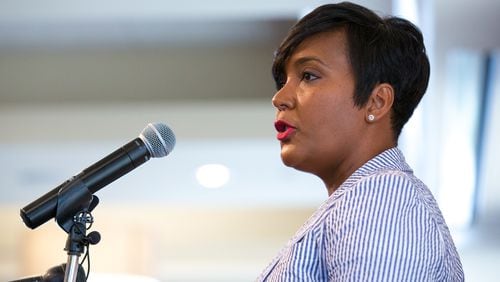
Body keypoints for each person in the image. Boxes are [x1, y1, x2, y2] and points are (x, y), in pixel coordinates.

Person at [257, 2, 464, 281]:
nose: (279, 97)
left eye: (308, 75)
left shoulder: (381, 194)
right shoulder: (365, 199)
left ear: (376, 102)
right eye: (283, 81)